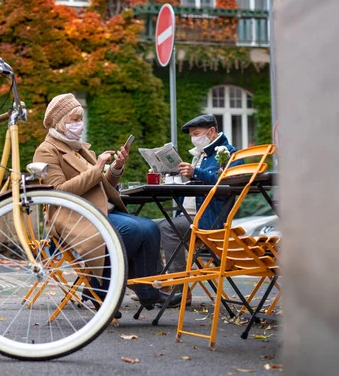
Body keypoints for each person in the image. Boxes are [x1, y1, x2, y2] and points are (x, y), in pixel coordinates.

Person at [33, 93, 181, 312]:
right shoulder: (46, 150)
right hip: (74, 217)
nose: (80, 124)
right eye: (74, 119)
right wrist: (96, 168)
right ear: (60, 122)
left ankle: (146, 292)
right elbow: (58, 192)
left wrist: (116, 168)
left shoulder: (80, 149)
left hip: (100, 211)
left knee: (150, 228)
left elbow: (101, 184)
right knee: (129, 232)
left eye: (80, 119)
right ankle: (100, 290)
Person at [156, 114, 241, 306]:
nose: (194, 138)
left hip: (208, 220)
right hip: (189, 216)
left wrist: (196, 173)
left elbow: (226, 186)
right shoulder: (201, 156)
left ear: (211, 132)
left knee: (167, 227)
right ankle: (159, 285)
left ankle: (179, 291)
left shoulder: (228, 153)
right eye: (192, 135)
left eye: (197, 133)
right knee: (149, 228)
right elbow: (192, 188)